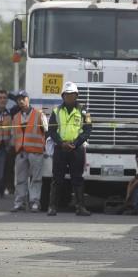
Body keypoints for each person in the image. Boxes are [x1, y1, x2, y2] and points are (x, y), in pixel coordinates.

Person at [47, 81, 92, 216]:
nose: (69, 97)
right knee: (57, 179)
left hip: (76, 149)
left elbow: (88, 130)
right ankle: (52, 207)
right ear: (63, 96)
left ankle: (80, 207)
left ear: (76, 95)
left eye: (72, 94)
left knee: (77, 179)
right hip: (60, 149)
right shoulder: (56, 111)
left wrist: (76, 143)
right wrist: (61, 143)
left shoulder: (85, 112)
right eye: (66, 94)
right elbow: (52, 131)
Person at [10, 90, 48, 212]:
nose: (21, 101)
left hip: (36, 151)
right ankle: (19, 202)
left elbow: (46, 131)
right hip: (21, 152)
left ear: (28, 99)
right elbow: (13, 135)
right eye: (19, 99)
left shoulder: (38, 114)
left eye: (23, 98)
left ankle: (34, 202)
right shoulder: (15, 117)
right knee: (20, 179)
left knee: (36, 179)